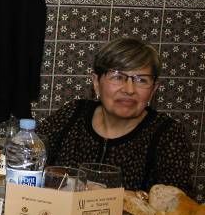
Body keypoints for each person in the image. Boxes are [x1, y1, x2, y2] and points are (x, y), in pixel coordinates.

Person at [38, 37, 193, 193]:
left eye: (141, 80)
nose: (129, 89)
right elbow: (26, 163)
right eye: (118, 77)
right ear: (96, 83)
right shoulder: (72, 114)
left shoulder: (167, 134)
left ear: (153, 90)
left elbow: (177, 205)